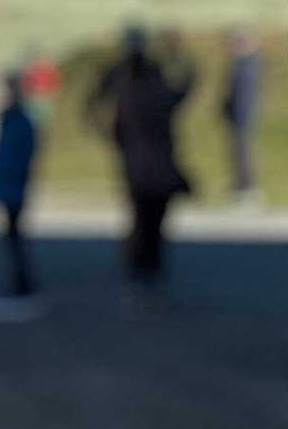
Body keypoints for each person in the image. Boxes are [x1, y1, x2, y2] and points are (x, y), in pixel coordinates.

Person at [88, 26, 197, 296]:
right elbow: (182, 92)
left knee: (146, 216)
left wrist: (108, 134)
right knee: (148, 217)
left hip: (144, 161)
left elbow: (181, 93)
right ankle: (145, 269)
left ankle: (145, 270)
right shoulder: (136, 76)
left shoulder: (133, 75)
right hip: (149, 161)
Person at [0, 69, 44, 320]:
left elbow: (19, 158)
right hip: (9, 187)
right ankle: (19, 285)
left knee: (15, 241)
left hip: (14, 188)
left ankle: (21, 288)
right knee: (12, 240)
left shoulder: (20, 121)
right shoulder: (13, 120)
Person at [220, 28, 262, 200]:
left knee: (243, 152)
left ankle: (247, 187)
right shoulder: (241, 65)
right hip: (237, 116)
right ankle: (240, 185)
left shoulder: (248, 66)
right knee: (237, 152)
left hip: (243, 117)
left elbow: (244, 95)